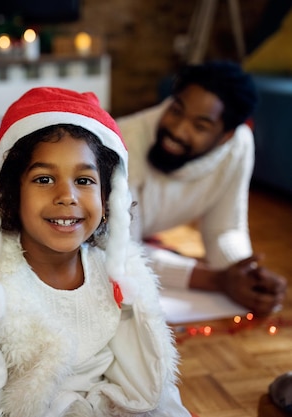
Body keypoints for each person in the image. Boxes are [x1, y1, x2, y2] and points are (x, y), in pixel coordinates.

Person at [0, 87, 190, 416]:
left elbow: (150, 384)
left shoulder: (119, 277)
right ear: (11, 194)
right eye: (44, 179)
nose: (66, 196)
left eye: (84, 181)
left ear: (107, 196)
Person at [116, 61, 287, 317]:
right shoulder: (122, 142)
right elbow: (123, 253)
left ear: (226, 136)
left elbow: (224, 229)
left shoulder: (238, 145)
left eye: (200, 126)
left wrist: (246, 275)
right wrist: (217, 280)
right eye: (176, 110)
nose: (177, 130)